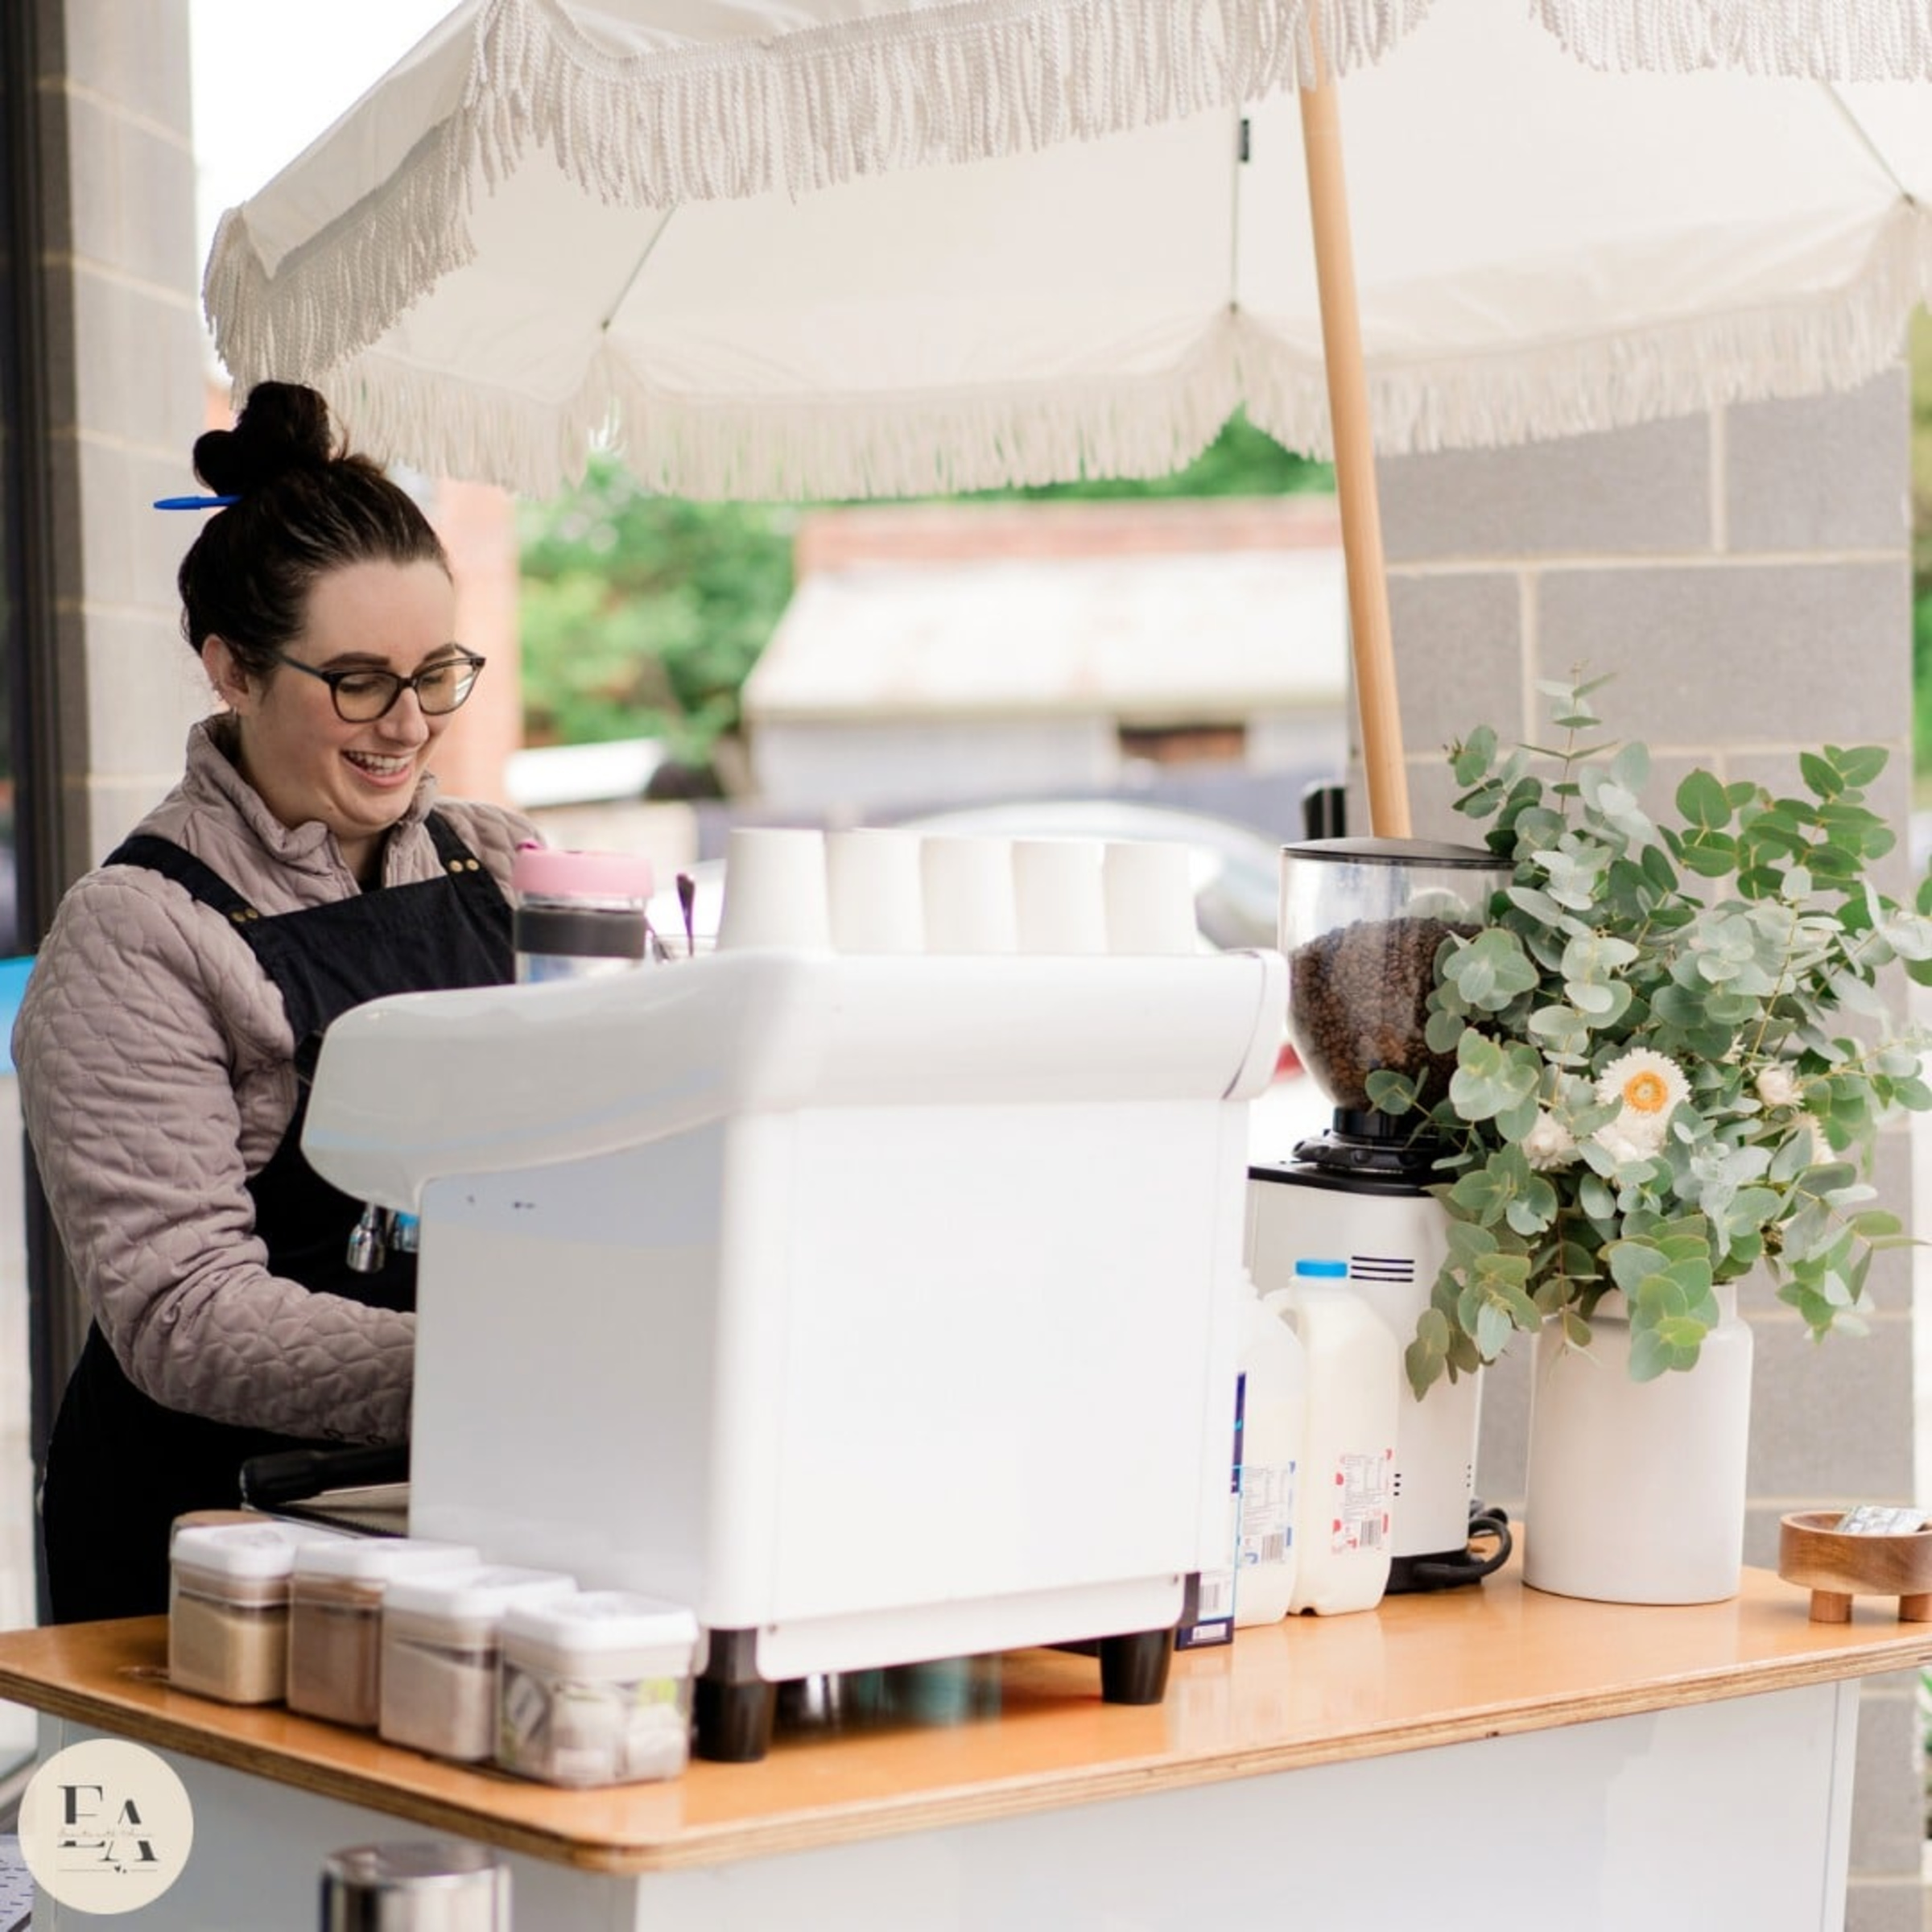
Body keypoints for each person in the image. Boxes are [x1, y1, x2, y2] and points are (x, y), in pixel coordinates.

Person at [14, 382, 539, 1622]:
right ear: (232, 668)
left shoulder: (505, 864)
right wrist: (503, 1369)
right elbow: (184, 1309)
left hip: (465, 1504)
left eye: (436, 673)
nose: (407, 724)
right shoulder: (138, 936)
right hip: (205, 1539)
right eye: (357, 681)